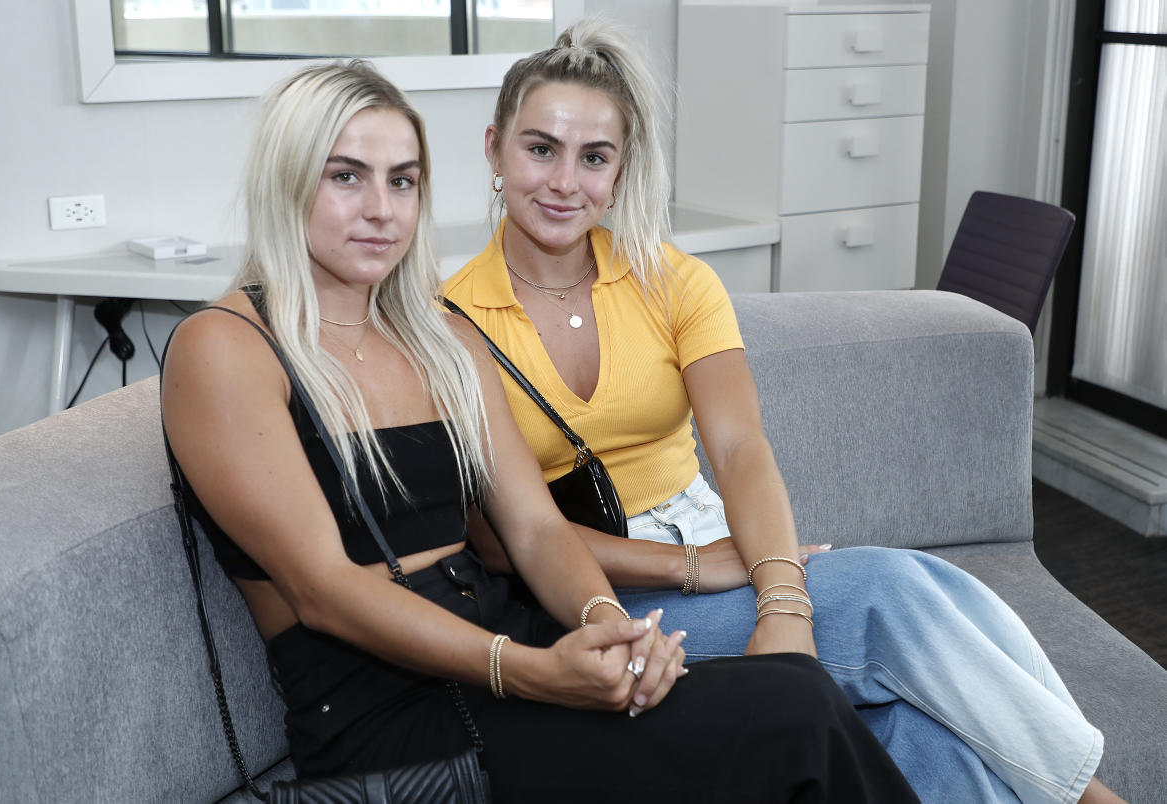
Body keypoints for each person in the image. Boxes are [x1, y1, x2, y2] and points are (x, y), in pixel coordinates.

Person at [160, 59, 918, 802]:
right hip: (394, 726)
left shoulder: (440, 335)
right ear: (286, 180)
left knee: (790, 690)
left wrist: (611, 630)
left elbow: (532, 529)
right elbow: (322, 589)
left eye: (403, 180)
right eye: (345, 175)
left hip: (513, 655)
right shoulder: (224, 347)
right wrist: (528, 671)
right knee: (798, 716)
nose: (382, 210)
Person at [442, 18, 1125, 804]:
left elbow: (738, 449)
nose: (566, 181)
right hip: (590, 589)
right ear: (495, 148)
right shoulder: (452, 320)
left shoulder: (673, 282)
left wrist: (782, 601)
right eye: (540, 149)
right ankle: (1093, 796)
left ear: (622, 169)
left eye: (594, 157)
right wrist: (696, 568)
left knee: (908, 707)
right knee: (885, 592)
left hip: (711, 532)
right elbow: (504, 541)